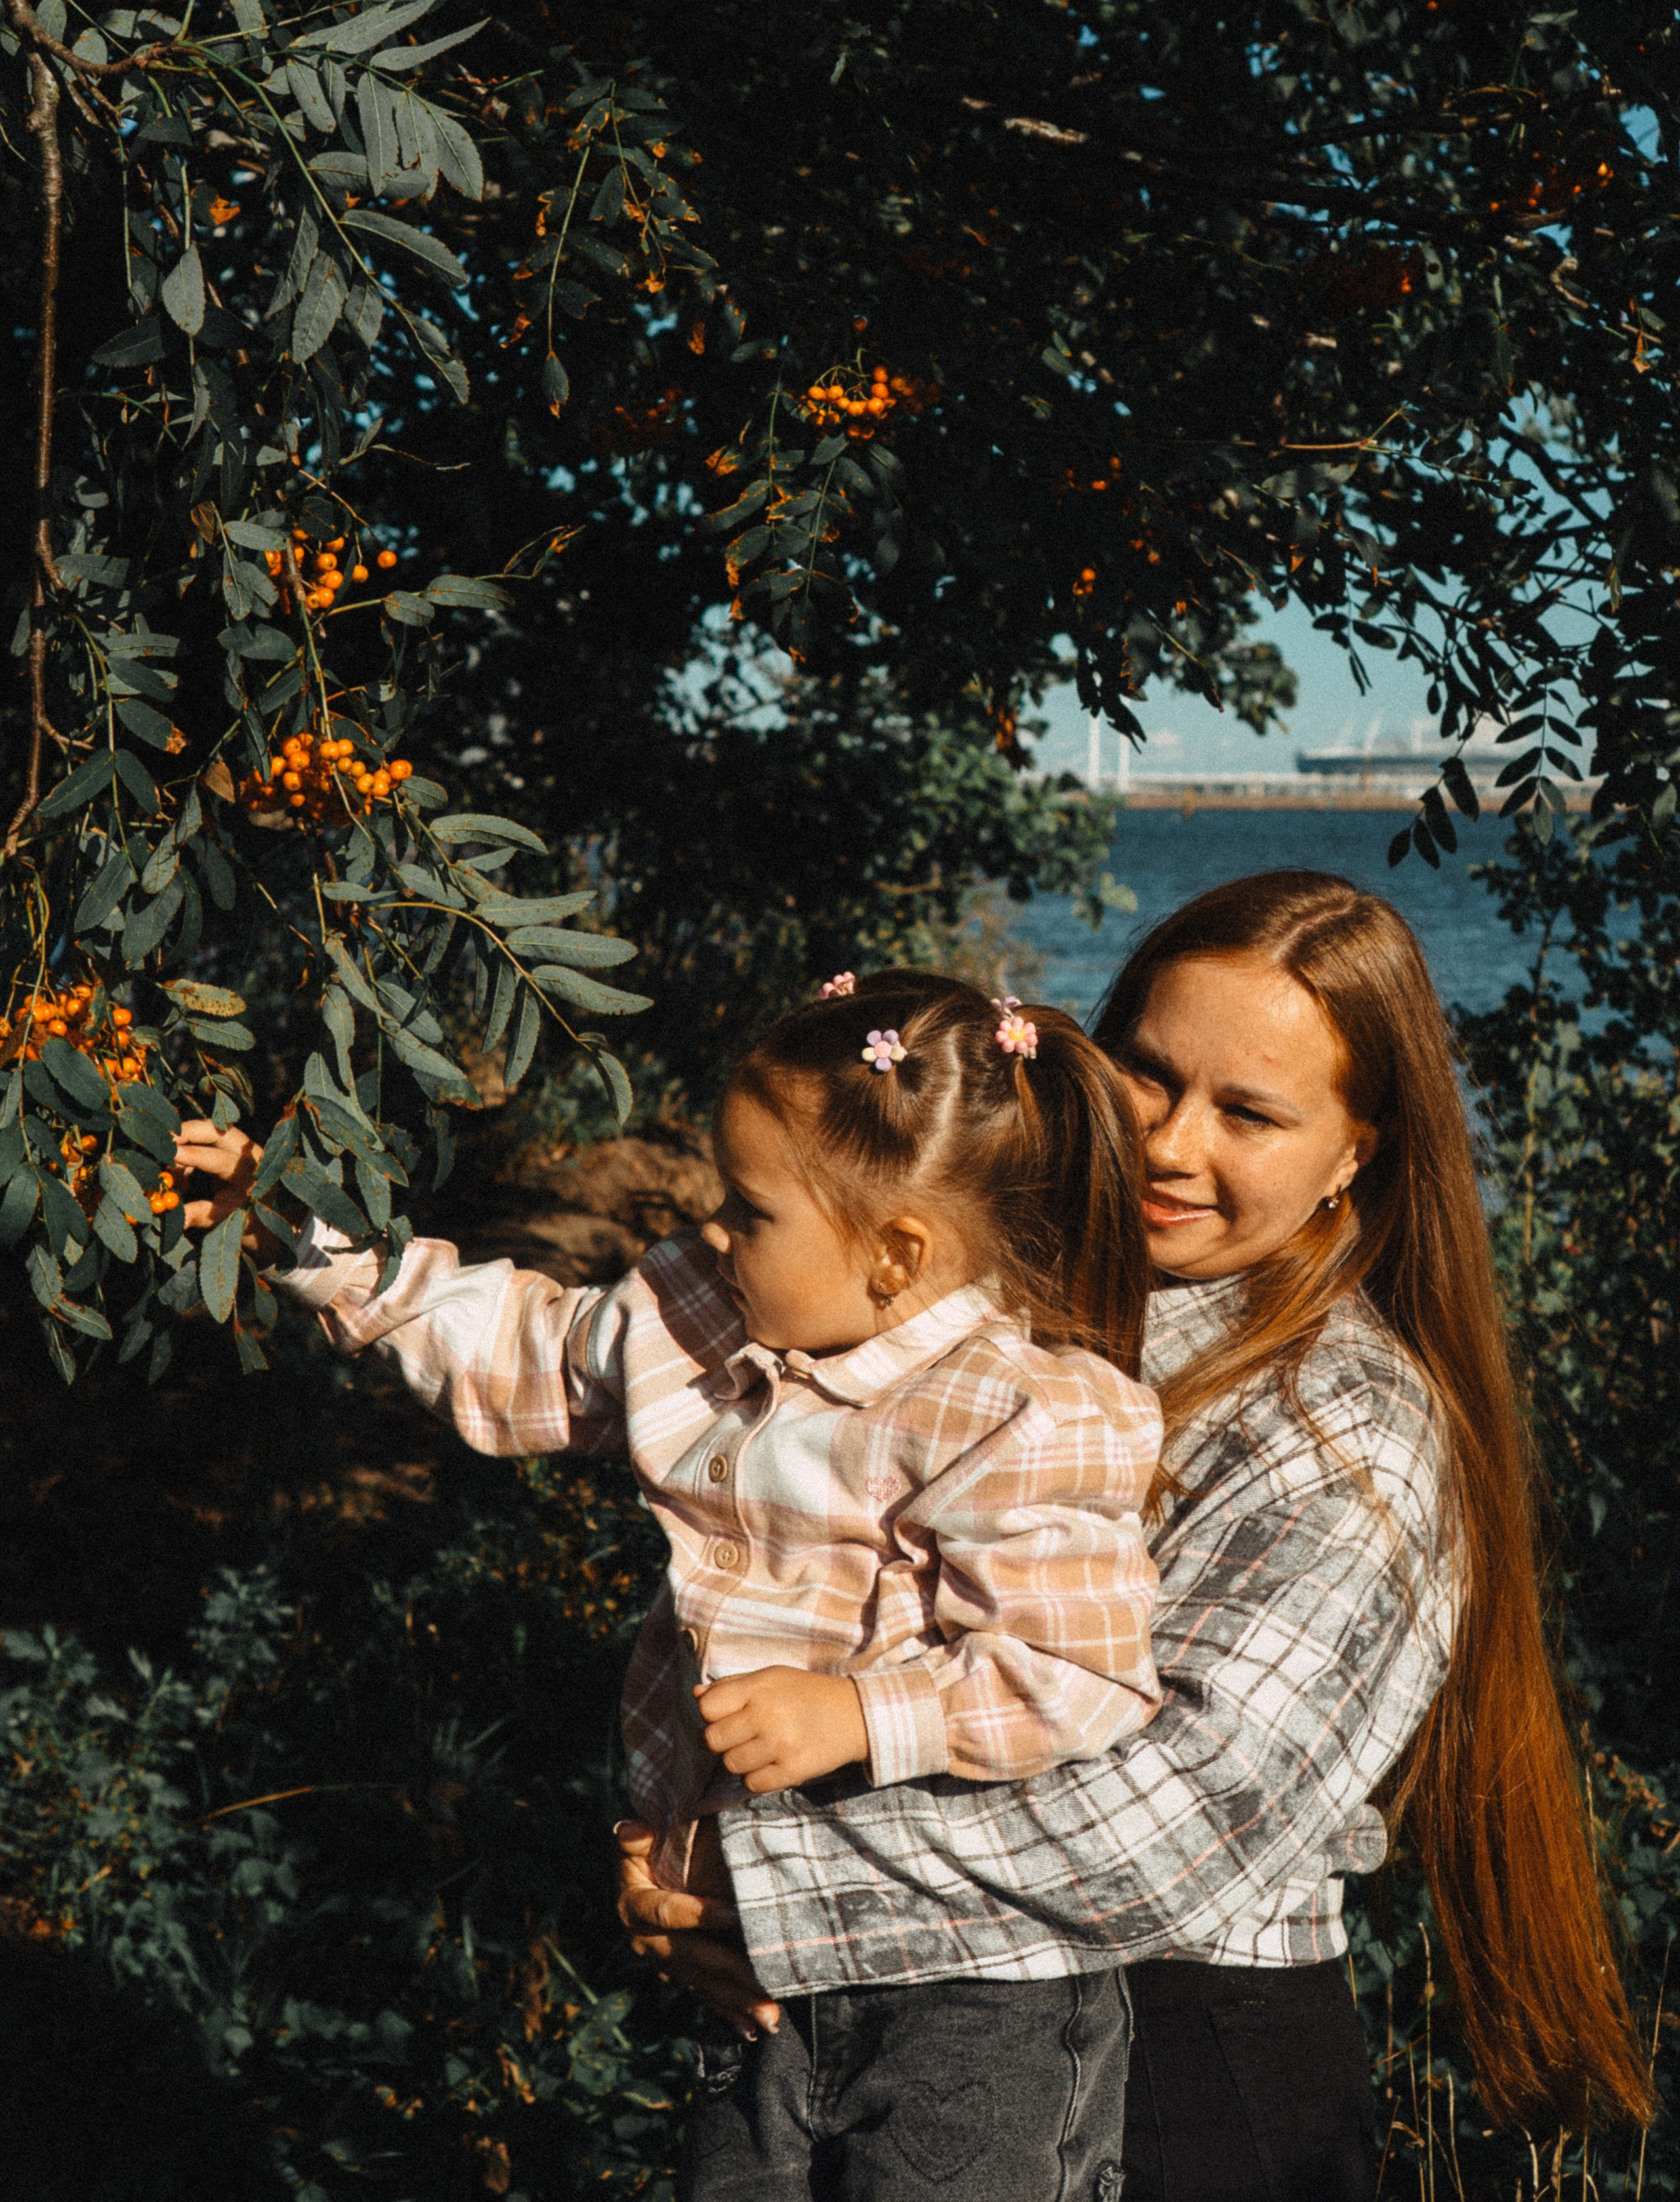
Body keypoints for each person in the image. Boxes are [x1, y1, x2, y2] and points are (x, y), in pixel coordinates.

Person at [617, 872, 1655, 2199]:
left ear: (1356, 1151)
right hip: (885, 2042)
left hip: (1180, 2077)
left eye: (1249, 1114)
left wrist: (747, 1881)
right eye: (1150, 1073)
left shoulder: (1347, 1440)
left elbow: (1175, 1822)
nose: (1169, 1144)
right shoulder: (986, 1321)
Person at [175, 973, 1166, 2201]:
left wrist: (863, 1713)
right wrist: (304, 1242)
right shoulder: (705, 1323)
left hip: (974, 2000)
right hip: (751, 1968)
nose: (715, 1228)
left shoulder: (1017, 1412)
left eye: (752, 1210)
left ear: (896, 1256)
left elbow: (1081, 1670)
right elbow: (517, 1343)